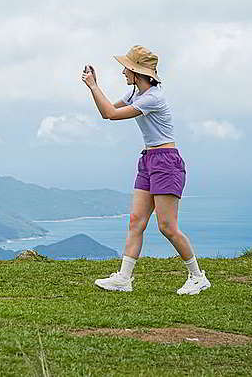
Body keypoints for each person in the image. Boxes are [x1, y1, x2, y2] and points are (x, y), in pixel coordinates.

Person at [81, 45, 210, 295]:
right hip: (149, 159)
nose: (123, 73)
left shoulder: (153, 98)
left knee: (167, 226)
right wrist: (94, 87)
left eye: (126, 69)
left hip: (166, 162)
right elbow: (108, 112)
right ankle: (124, 279)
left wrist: (93, 86)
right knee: (136, 221)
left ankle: (197, 276)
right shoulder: (135, 94)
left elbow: (110, 113)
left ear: (136, 72)